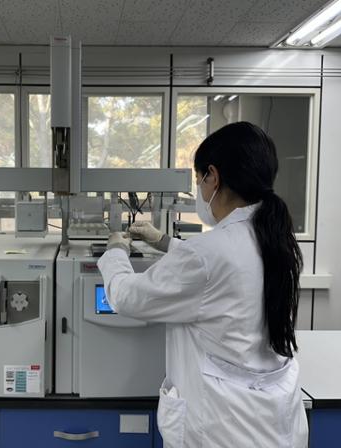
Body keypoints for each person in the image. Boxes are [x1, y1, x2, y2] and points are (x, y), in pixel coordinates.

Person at [98, 122, 308, 448]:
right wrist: (164, 242)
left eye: (198, 180)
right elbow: (225, 272)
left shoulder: (208, 253)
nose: (199, 189)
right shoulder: (275, 238)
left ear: (213, 176)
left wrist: (115, 252)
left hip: (222, 429)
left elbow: (127, 297)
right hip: (275, 423)